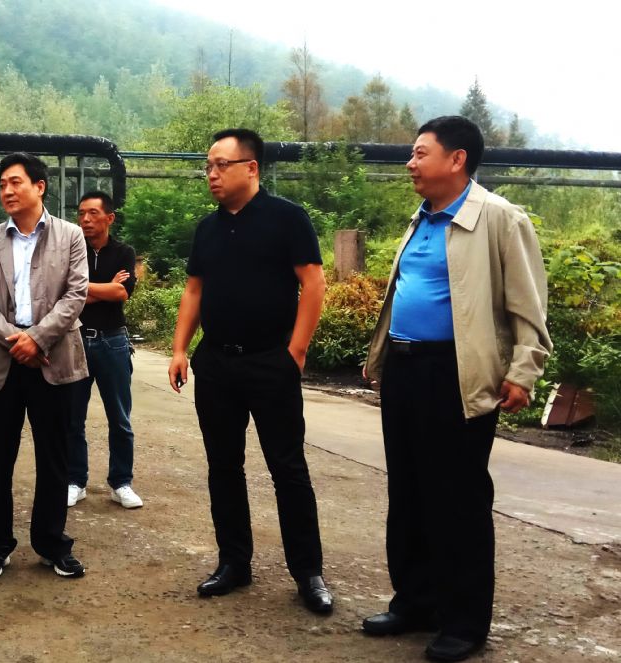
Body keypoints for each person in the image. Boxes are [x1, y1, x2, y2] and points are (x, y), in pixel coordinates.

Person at [361, 116, 551, 662]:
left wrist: (522, 372)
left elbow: (529, 307)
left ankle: (464, 622)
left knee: (458, 500)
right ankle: (415, 602)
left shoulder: (499, 218)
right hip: (406, 371)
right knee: (409, 492)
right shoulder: (422, 218)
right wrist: (382, 356)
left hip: (457, 375)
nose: (410, 163)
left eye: (420, 153)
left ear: (457, 159)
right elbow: (405, 294)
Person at [167, 128, 334, 614]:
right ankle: (234, 563)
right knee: (223, 466)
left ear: (251, 168)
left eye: (221, 165)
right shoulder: (208, 228)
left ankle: (308, 572)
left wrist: (295, 352)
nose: (212, 174)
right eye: (208, 167)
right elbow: (194, 290)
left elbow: (313, 283)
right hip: (217, 362)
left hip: (269, 361)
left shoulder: (287, 218)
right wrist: (179, 349)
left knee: (288, 468)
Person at [0, 152, 89, 580]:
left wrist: (37, 338)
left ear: (40, 187)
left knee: (54, 457)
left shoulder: (71, 235)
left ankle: (52, 543)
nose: (6, 190)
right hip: (2, 360)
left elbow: (76, 295)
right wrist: (15, 340)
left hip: (53, 359)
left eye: (15, 182)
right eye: (2, 183)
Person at [66, 190, 142, 509]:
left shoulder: (124, 252)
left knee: (120, 417)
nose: (85, 219)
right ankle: (75, 480)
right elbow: (64, 293)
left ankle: (121, 483)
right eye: (81, 213)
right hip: (76, 340)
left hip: (113, 341)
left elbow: (122, 293)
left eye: (93, 213)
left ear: (109, 218)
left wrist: (83, 290)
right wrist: (105, 288)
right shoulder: (72, 251)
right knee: (72, 417)